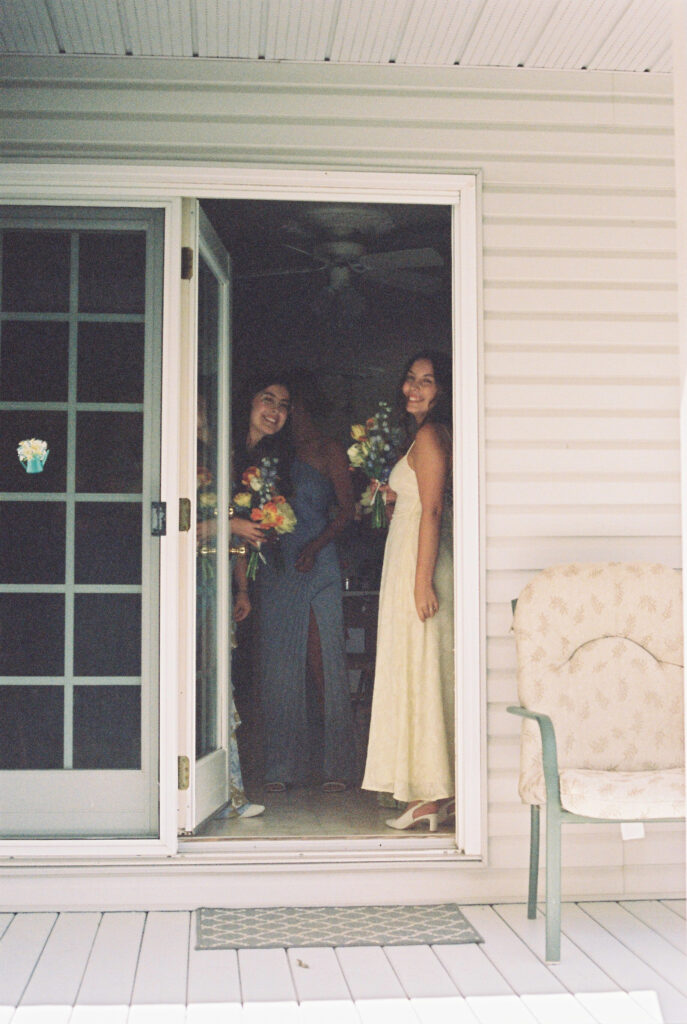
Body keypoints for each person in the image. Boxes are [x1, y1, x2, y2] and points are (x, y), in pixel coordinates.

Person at [361, 350, 455, 831]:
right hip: (409, 559)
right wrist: (397, 496)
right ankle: (437, 789)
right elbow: (422, 499)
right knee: (416, 668)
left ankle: (431, 794)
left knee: (421, 670)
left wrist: (422, 584)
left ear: (443, 390)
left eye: (428, 381)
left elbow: (434, 510)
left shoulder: (430, 434)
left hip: (421, 566)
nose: (414, 388)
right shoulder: (423, 437)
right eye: (410, 379)